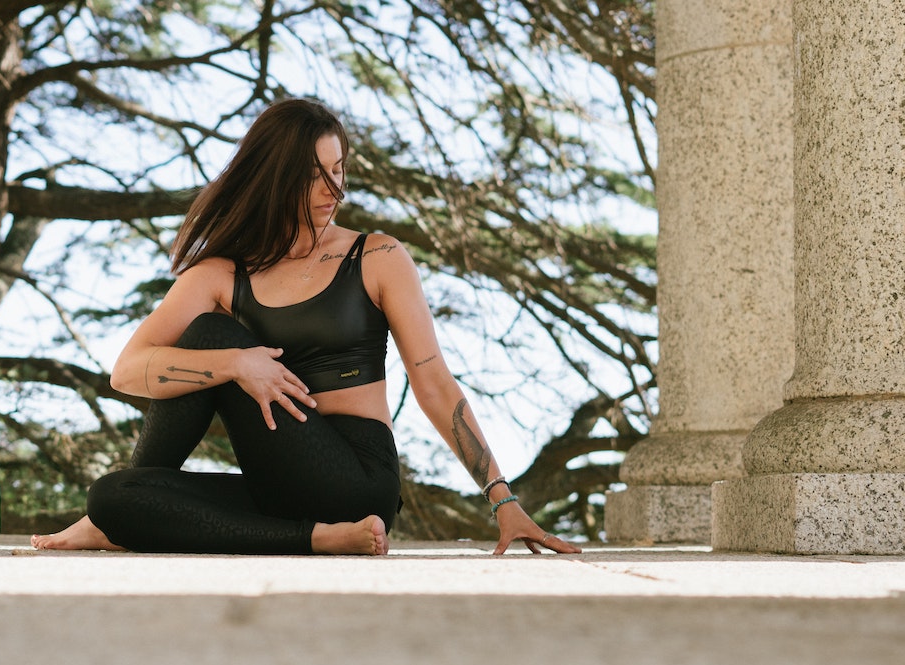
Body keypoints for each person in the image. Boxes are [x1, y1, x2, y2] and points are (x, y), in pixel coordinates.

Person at [31, 97, 581, 557]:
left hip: (354, 477)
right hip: (279, 485)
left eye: (337, 169)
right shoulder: (225, 274)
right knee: (114, 494)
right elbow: (127, 371)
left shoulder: (376, 256)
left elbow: (434, 383)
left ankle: (317, 531)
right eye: (313, 175)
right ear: (275, 176)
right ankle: (314, 539)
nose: (332, 189)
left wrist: (503, 500)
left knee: (208, 334)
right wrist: (235, 365)